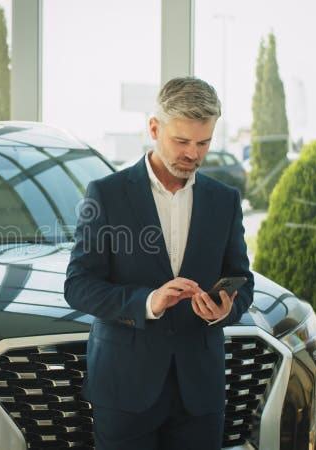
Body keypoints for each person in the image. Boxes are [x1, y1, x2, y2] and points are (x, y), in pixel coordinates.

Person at [64, 76, 254, 450]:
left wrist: (223, 309)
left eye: (204, 142)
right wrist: (148, 302)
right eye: (181, 141)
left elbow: (241, 280)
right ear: (154, 128)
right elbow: (79, 285)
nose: (193, 154)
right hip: (123, 389)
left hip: (200, 392)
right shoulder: (107, 194)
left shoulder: (224, 200)